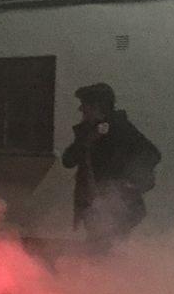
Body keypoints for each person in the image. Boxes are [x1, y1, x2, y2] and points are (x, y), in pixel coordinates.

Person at [61, 82, 162, 252]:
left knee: (106, 251)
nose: (81, 109)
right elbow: (68, 160)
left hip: (116, 208)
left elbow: (151, 154)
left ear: (97, 107)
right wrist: (87, 141)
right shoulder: (88, 132)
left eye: (85, 105)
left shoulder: (121, 129)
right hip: (94, 206)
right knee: (98, 249)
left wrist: (126, 183)